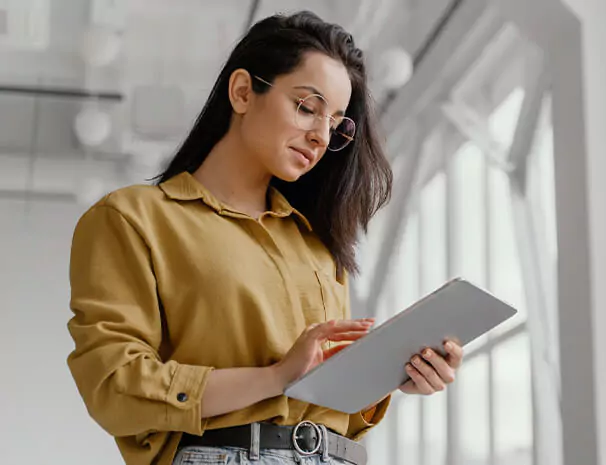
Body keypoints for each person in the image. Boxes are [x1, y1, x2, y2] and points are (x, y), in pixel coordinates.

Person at [66, 11, 464, 465]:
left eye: (335, 124)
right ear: (242, 92)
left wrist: (396, 373)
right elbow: (114, 386)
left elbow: (328, 402)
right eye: (306, 107)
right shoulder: (134, 218)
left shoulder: (316, 243)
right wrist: (274, 377)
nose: (319, 136)